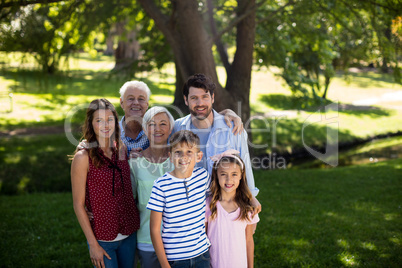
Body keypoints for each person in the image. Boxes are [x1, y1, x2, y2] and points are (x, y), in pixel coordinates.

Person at [173, 73, 260, 209]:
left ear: (212, 98)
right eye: (194, 98)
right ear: (186, 100)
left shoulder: (233, 129)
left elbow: (245, 165)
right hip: (190, 208)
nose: (200, 103)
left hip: (225, 207)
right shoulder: (177, 128)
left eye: (205, 97)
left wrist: (251, 198)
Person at [71, 98, 140, 268]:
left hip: (128, 233)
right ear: (91, 124)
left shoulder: (121, 149)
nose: (105, 125)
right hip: (102, 238)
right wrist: (93, 245)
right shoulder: (83, 157)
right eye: (99, 120)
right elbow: (78, 205)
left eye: (110, 119)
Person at [119, 80, 244, 156]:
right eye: (130, 98)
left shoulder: (158, 130)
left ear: (147, 104)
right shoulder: (111, 131)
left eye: (141, 99)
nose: (136, 103)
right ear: (121, 103)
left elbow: (202, 117)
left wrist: (226, 113)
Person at [147, 130, 211, 268]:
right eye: (178, 152)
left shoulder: (203, 177)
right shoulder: (161, 186)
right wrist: (165, 265)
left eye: (189, 152)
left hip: (202, 254)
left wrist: (251, 199)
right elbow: (154, 230)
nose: (184, 156)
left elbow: (226, 190)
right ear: (170, 156)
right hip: (175, 260)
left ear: (199, 156)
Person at [129, 106, 175, 268]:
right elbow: (129, 202)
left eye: (163, 124)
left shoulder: (180, 161)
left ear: (170, 128)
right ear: (144, 129)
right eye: (151, 124)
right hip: (147, 239)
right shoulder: (134, 163)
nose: (157, 129)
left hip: (178, 241)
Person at [205, 150, 259, 268]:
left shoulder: (248, 207)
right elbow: (203, 239)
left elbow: (249, 241)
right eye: (223, 174)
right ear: (217, 175)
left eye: (234, 174)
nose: (229, 180)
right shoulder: (209, 205)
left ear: (241, 175)